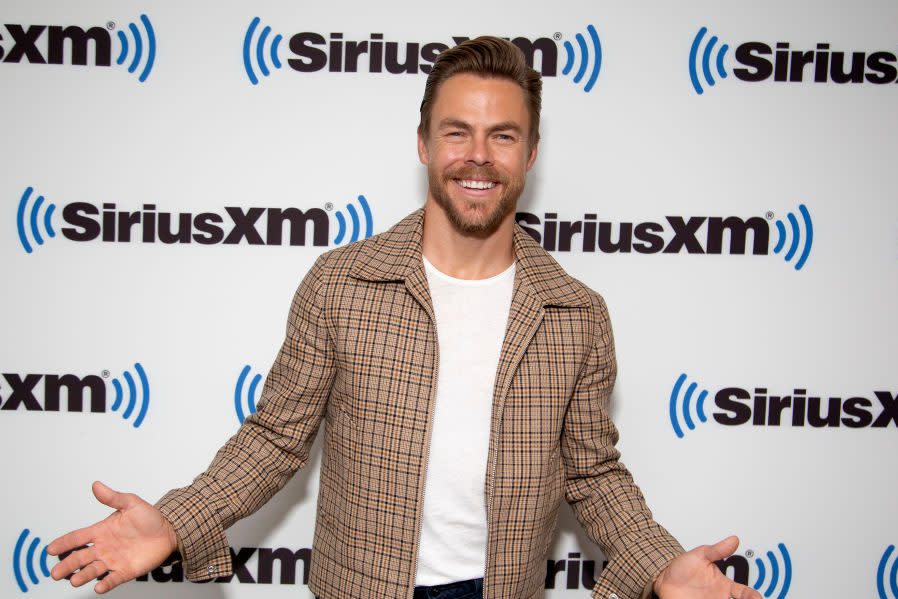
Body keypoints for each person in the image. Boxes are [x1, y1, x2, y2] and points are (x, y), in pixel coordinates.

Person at [48, 37, 762, 599]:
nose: (477, 156)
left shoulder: (576, 313)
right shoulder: (343, 281)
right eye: (457, 133)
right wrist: (177, 518)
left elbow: (594, 476)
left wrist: (663, 563)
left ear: (532, 155)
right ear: (423, 144)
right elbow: (273, 440)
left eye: (503, 136)